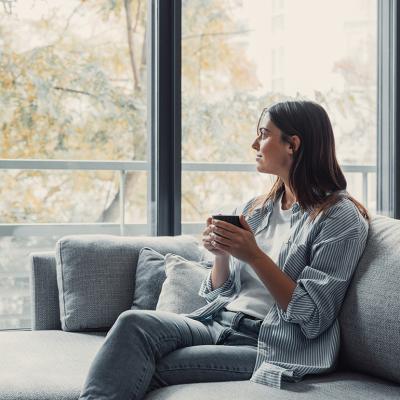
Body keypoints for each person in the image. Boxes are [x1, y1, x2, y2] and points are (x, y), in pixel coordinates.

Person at [79, 100, 369, 399]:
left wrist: (254, 256)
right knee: (133, 323)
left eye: (263, 133)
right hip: (217, 321)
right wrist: (221, 254)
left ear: (292, 144)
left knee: (145, 366)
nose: (254, 143)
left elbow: (312, 316)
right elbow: (217, 293)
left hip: (267, 343)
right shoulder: (257, 209)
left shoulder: (339, 218)